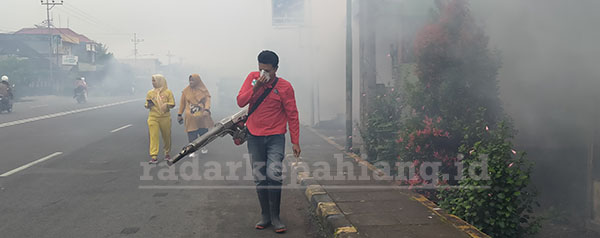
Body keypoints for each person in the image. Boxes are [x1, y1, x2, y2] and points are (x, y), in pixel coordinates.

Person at [237, 50, 301, 233]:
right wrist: (255, 87)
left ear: (276, 69)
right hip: (254, 135)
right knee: (260, 177)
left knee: (274, 174)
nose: (264, 74)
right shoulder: (252, 79)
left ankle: (275, 216)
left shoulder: (285, 87)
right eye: (261, 70)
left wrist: (295, 141)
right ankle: (265, 215)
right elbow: (240, 101)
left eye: (268, 71)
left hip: (275, 136)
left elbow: (292, 115)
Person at [177, 74, 214, 157]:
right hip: (190, 116)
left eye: (193, 80)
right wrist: (179, 114)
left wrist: (207, 109)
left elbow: (207, 100)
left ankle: (203, 147)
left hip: (201, 114)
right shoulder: (185, 91)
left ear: (197, 81)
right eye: (190, 80)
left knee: (203, 132)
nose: (191, 82)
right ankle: (192, 150)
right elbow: (182, 103)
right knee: (191, 133)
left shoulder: (203, 90)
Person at [145, 74, 175, 164]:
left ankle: (167, 153)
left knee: (166, 136)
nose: (153, 83)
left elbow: (172, 104)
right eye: (152, 81)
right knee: (153, 136)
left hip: (165, 117)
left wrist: (166, 105)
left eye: (154, 81)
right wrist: (148, 105)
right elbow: (146, 104)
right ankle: (154, 156)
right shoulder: (150, 93)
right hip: (153, 117)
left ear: (160, 81)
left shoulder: (168, 92)